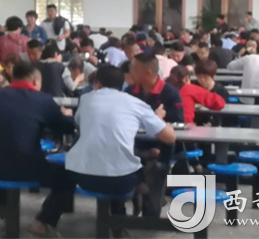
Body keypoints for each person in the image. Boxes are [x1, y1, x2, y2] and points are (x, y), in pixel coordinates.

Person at [66, 66, 176, 229]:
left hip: (81, 177)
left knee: (116, 161)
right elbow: (170, 138)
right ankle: (137, 207)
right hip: (122, 180)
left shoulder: (86, 99)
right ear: (123, 84)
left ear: (97, 83)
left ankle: (119, 223)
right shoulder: (135, 103)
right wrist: (158, 118)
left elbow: (79, 123)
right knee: (134, 165)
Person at [0, 62, 75, 237]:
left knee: (2, 150)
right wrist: (66, 115)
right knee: (69, 175)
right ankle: (43, 222)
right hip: (26, 168)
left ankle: (4, 213)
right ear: (36, 81)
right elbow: (65, 128)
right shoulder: (43, 100)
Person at [126, 52, 183, 217]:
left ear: (148, 73)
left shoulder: (169, 93)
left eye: (133, 68)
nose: (130, 71)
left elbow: (179, 122)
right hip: (133, 145)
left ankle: (151, 210)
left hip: (161, 145)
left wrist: (158, 121)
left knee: (157, 167)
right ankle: (136, 196)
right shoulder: (130, 91)